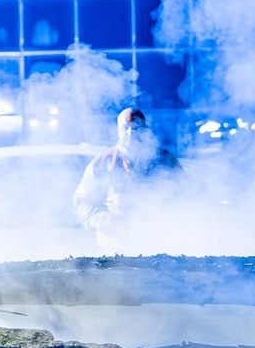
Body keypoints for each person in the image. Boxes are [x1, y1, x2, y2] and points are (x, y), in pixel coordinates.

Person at [73, 106, 181, 250]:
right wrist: (106, 221)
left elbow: (185, 193)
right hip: (114, 246)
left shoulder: (164, 160)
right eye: (126, 128)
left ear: (145, 130)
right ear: (118, 130)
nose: (131, 133)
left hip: (158, 243)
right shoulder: (103, 163)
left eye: (136, 128)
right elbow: (83, 202)